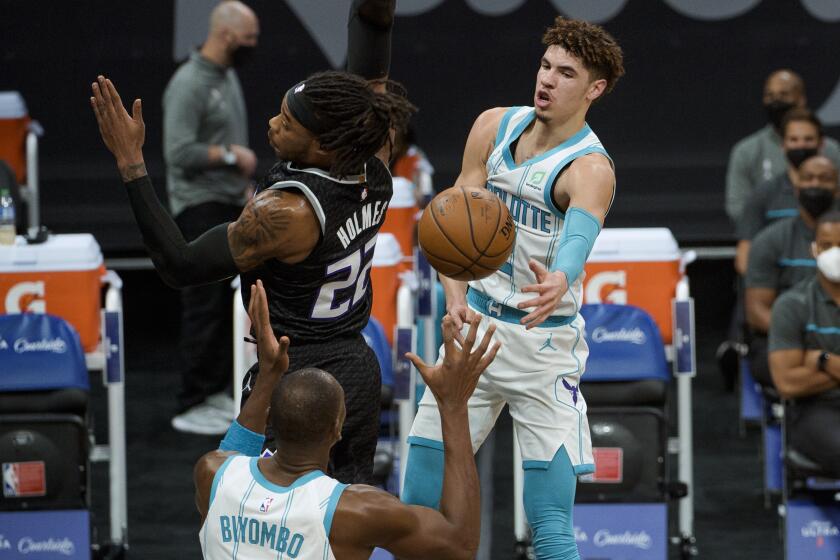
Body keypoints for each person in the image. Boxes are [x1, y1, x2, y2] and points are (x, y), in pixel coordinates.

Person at [89, 0, 415, 484]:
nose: (271, 124)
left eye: (287, 123)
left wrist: (131, 164)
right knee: (346, 518)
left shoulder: (286, 214)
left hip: (293, 375)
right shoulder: (376, 151)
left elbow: (178, 265)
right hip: (356, 368)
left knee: (269, 521)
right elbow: (371, 56)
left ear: (323, 147)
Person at [401, 16, 623, 559]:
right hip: (476, 330)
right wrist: (455, 300)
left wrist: (563, 278)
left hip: (543, 346)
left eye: (566, 73)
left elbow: (578, 236)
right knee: (417, 503)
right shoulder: (493, 126)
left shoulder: (589, 168)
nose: (547, 80)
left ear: (594, 90)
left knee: (549, 525)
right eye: (546, 65)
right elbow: (452, 219)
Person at [194, 279, 501, 559]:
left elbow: (237, 448)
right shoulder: (354, 511)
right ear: (337, 429)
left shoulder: (212, 473)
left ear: (271, 420)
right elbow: (460, 545)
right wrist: (454, 404)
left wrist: (268, 375)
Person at [163, 0, 260, 435]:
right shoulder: (189, 84)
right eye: (249, 38)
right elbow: (178, 152)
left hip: (229, 203)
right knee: (203, 304)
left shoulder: (228, 76)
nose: (254, 46)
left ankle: (217, 389)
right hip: (198, 206)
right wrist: (229, 155)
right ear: (226, 35)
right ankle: (194, 398)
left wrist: (244, 190)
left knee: (228, 305)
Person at [745, 155, 838, 386]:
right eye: (808, 178)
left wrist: (823, 359)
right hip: (788, 341)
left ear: (837, 188)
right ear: (796, 188)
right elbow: (756, 310)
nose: (815, 185)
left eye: (824, 179)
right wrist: (799, 341)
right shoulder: (770, 240)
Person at [769, 210, 840, 477]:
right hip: (815, 410)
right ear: (814, 249)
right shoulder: (792, 304)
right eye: (827, 245)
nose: (835, 253)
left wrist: (823, 360)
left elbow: (802, 374)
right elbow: (787, 384)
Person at [724, 69, 840, 224]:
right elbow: (736, 208)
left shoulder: (832, 150)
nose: (776, 101)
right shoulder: (746, 151)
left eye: (784, 95)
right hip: (766, 234)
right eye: (770, 96)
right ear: (783, 146)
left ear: (800, 99)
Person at [735, 109, 828, 275]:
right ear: (783, 144)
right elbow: (744, 260)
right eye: (794, 139)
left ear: (821, 144)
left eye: (808, 139)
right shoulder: (762, 194)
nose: (801, 145)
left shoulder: (834, 193)